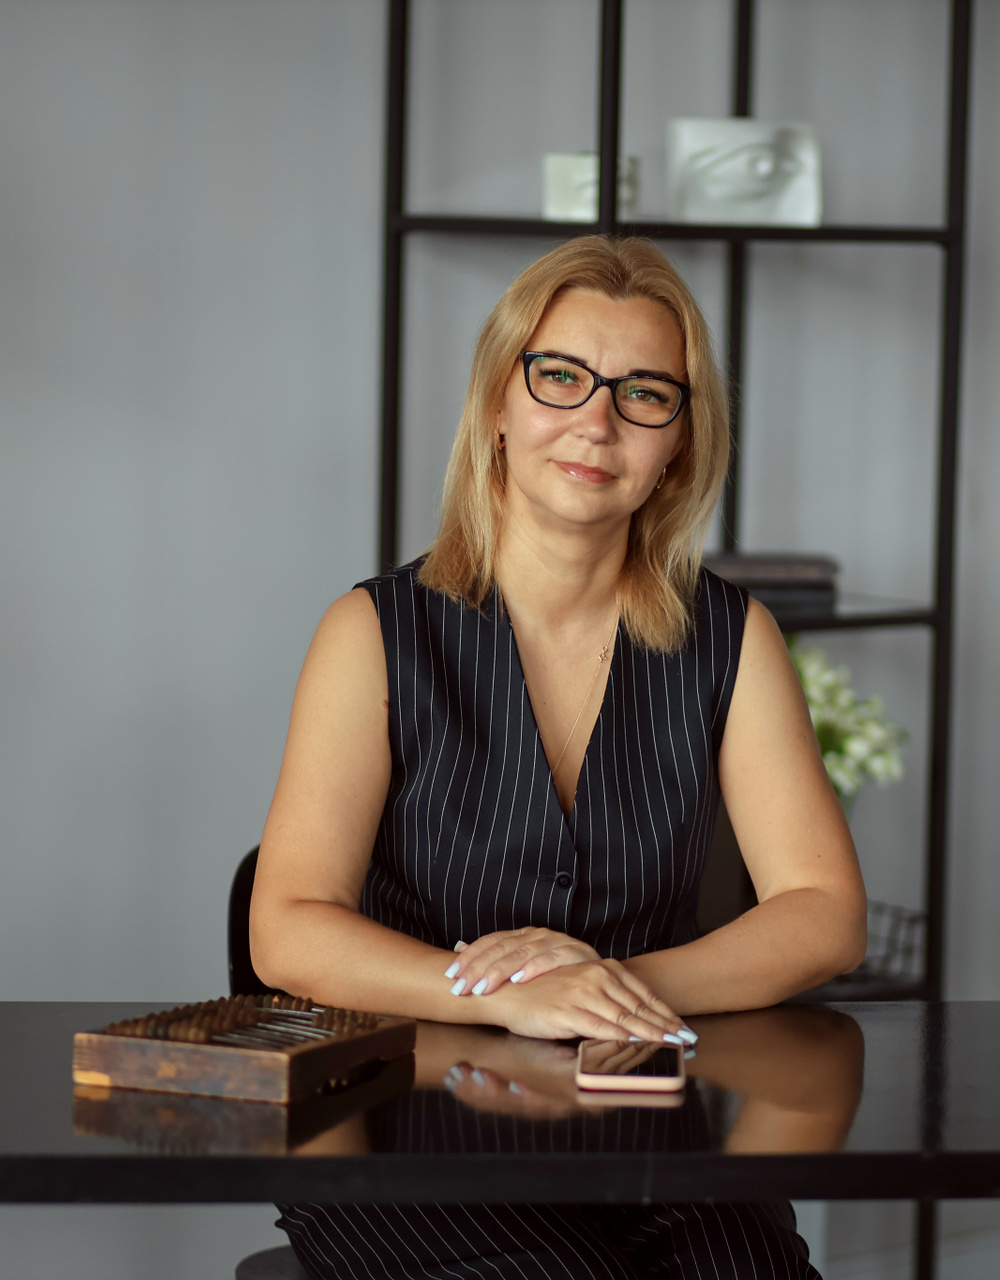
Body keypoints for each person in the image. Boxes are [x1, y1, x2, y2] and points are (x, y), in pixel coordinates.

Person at [252, 235, 867, 1278]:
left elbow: (824, 910)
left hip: (648, 1129)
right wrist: (502, 995)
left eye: (644, 394)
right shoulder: (374, 632)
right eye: (561, 376)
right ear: (499, 399)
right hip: (403, 1131)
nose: (597, 421)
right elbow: (286, 927)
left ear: (680, 441)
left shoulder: (734, 637)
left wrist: (609, 986)